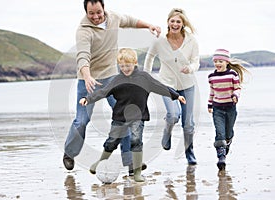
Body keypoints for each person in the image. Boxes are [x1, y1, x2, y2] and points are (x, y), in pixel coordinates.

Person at [63, 0, 161, 172]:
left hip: (111, 77)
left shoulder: (113, 18)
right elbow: (83, 57)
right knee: (82, 120)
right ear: (86, 12)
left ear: (103, 8)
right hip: (89, 79)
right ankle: (69, 153)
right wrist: (87, 77)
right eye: (91, 13)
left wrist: (149, 26)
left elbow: (130, 21)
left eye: (98, 12)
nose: (95, 16)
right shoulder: (83, 31)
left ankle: (130, 162)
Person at [79, 48, 186, 182]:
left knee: (136, 141)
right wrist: (88, 99)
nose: (125, 68)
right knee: (112, 142)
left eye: (128, 65)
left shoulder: (144, 77)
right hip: (120, 117)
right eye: (122, 66)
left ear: (135, 62)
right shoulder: (117, 80)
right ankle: (100, 162)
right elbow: (103, 92)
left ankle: (136, 172)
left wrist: (176, 96)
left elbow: (160, 87)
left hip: (138, 116)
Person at [143, 8, 200, 165]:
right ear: (168, 22)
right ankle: (167, 132)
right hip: (167, 84)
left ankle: (190, 153)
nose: (175, 24)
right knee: (173, 115)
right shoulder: (160, 41)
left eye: (178, 21)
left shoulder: (191, 40)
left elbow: (196, 60)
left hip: (187, 85)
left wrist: (190, 68)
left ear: (183, 24)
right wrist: (146, 76)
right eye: (172, 21)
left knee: (188, 124)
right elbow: (149, 58)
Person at [208, 49, 249, 170]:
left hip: (231, 108)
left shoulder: (232, 75)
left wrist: (236, 96)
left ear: (226, 62)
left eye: (220, 61)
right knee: (220, 132)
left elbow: (237, 88)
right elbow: (212, 92)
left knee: (228, 132)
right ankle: (221, 157)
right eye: (215, 61)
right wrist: (210, 105)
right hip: (217, 108)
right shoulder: (211, 77)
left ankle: (228, 142)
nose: (217, 63)